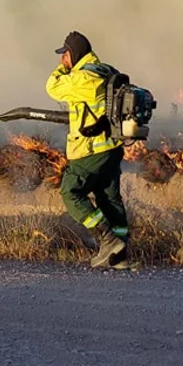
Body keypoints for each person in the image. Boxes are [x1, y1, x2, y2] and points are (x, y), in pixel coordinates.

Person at [45, 31, 130, 269]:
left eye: (65, 55)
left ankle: (107, 239)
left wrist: (62, 69)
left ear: (74, 54)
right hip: (112, 148)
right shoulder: (106, 70)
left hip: (90, 150)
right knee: (110, 199)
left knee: (70, 191)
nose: (62, 59)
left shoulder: (83, 78)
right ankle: (120, 254)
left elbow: (52, 87)